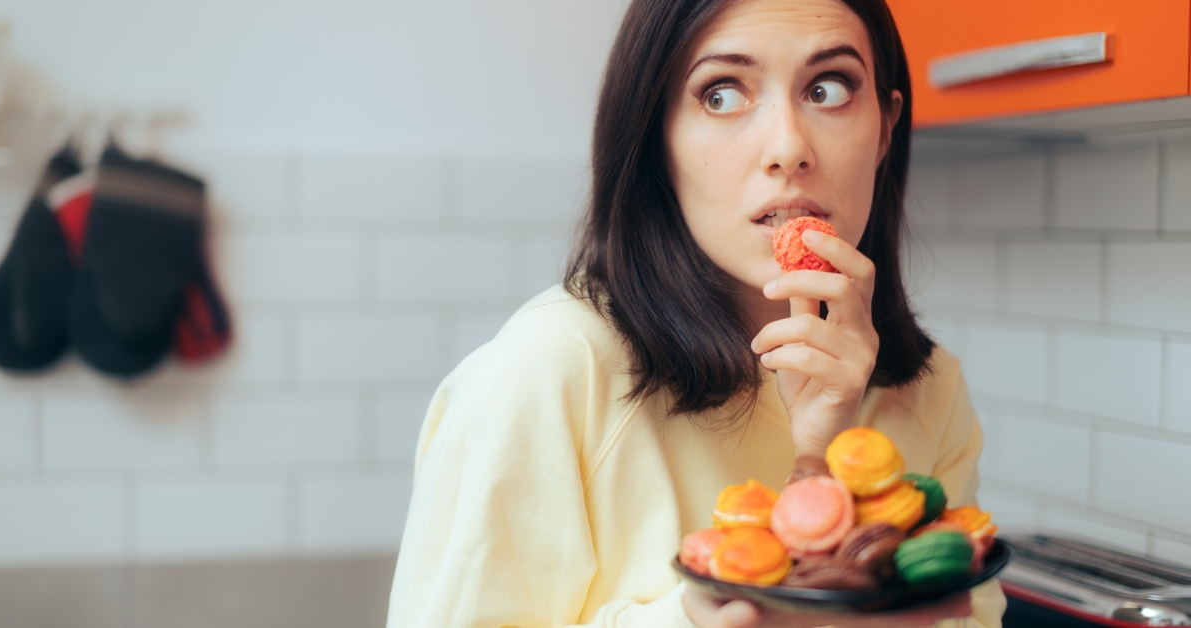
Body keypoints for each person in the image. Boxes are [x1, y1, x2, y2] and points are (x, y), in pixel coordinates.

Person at [387, 0, 1006, 626]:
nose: (789, 148)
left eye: (828, 88)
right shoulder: (546, 373)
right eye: (721, 94)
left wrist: (819, 467)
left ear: (884, 131)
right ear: (657, 138)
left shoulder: (931, 392)